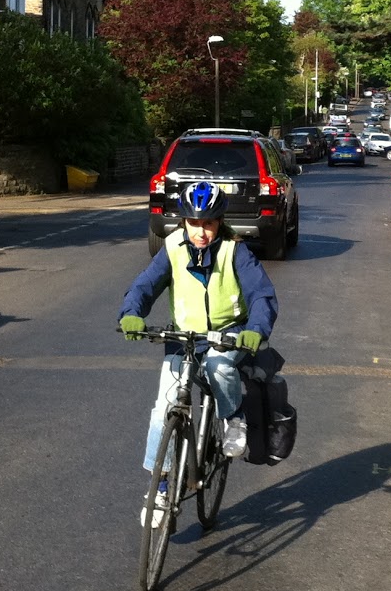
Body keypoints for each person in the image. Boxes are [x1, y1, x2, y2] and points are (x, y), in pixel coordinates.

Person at [118, 180, 278, 523]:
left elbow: (261, 295)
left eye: (208, 223)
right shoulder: (173, 247)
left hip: (228, 334)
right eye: (194, 223)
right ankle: (159, 488)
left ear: (219, 222)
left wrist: (255, 330)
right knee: (165, 406)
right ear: (183, 222)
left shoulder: (236, 251)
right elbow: (145, 284)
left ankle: (233, 418)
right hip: (184, 336)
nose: (201, 232)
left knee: (220, 366)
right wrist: (132, 313)